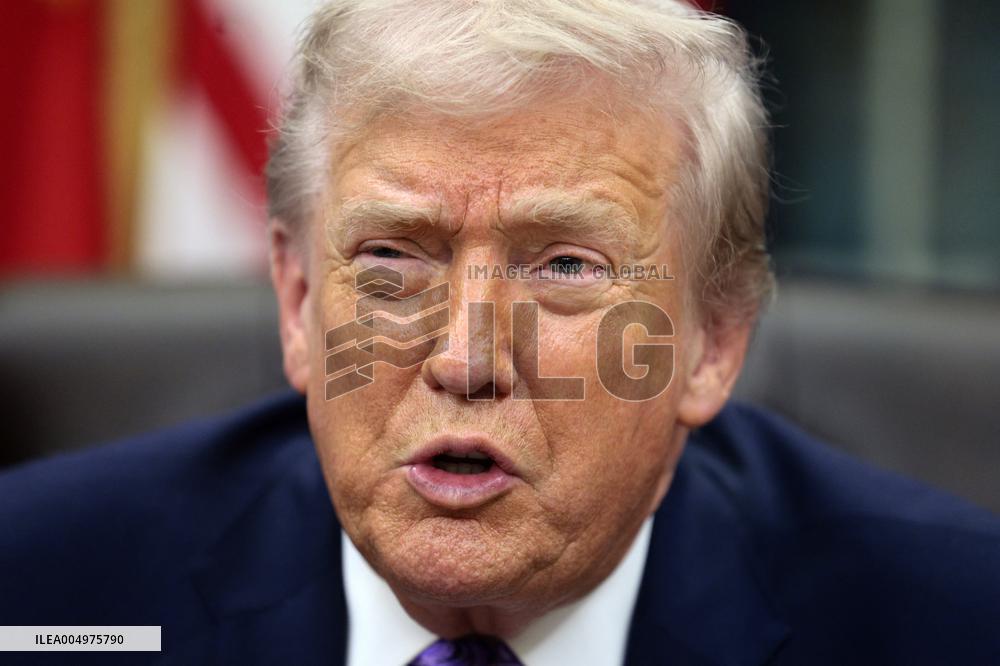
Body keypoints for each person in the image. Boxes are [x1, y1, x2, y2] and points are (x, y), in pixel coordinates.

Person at [2, 1, 999, 664]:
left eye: (565, 267)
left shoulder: (956, 622)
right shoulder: (37, 585)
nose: (465, 359)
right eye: (391, 259)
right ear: (299, 303)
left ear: (716, 340)